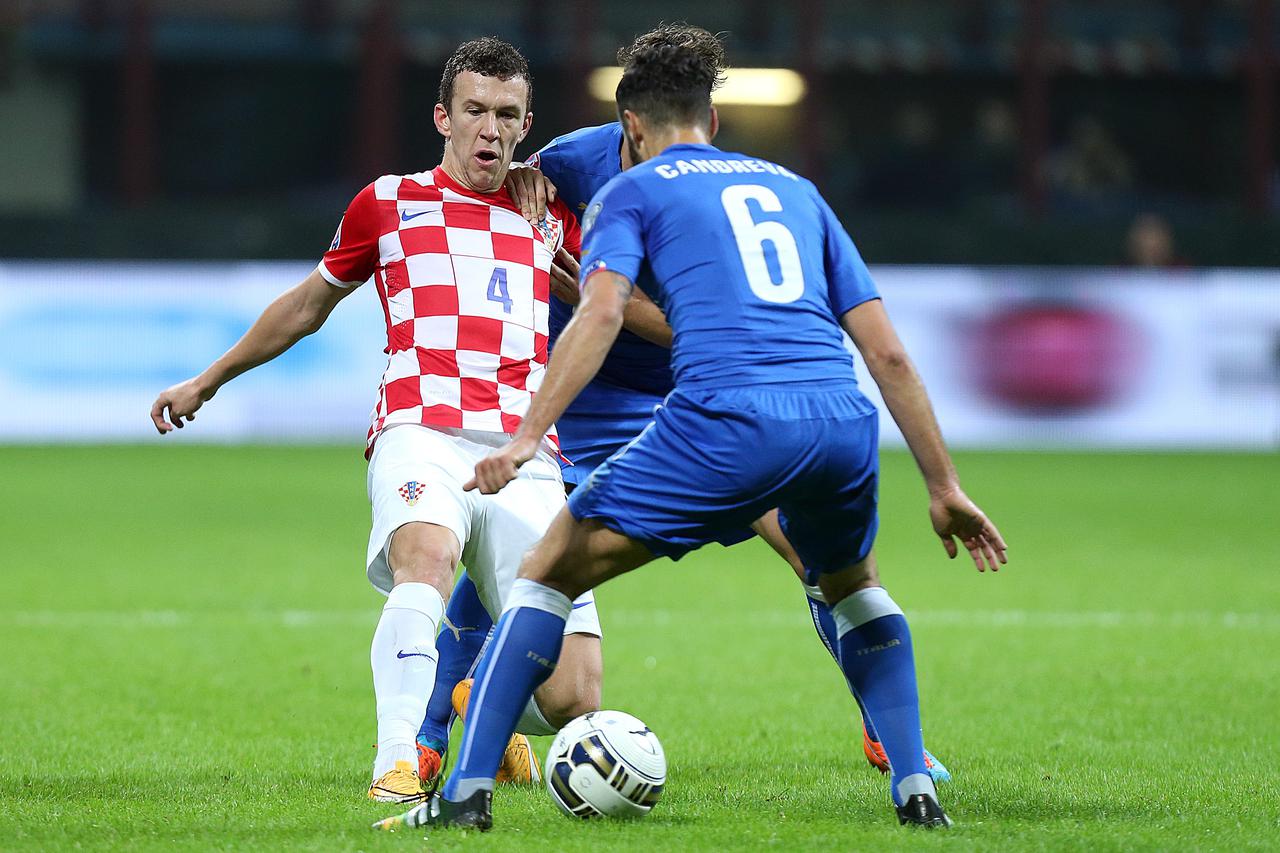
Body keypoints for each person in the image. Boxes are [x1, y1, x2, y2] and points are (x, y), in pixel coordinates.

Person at [381, 42, 1007, 832]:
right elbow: (883, 349)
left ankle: (462, 786)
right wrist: (943, 484)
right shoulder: (784, 188)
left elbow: (608, 305)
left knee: (553, 566)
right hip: (638, 394)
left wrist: (524, 431)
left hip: (701, 399)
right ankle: (436, 730)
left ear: (634, 124)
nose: (495, 128)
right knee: (539, 535)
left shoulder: (637, 186)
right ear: (706, 119)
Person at [148, 37, 603, 805]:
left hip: (525, 449)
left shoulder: (552, 210)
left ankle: (476, 694)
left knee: (575, 698)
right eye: (474, 112)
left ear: (526, 126)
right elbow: (306, 305)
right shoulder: (388, 202)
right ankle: (395, 764)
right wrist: (209, 378)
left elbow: (615, 291)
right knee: (425, 560)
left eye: (506, 115)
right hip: (422, 427)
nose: (489, 130)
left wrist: (573, 253)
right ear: (443, 117)